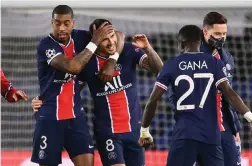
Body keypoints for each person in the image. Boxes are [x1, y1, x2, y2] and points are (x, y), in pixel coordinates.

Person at [32, 18, 163, 166]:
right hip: (107, 132)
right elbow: (71, 90)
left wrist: (148, 48)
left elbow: (159, 70)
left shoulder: (128, 51)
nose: (110, 42)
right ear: (95, 40)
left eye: (112, 36)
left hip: (134, 131)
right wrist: (43, 101)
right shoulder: (87, 63)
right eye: (104, 39)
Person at [139, 25, 252, 166]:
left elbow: (152, 101)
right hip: (210, 137)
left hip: (184, 135)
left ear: (180, 44)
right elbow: (230, 94)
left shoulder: (171, 65)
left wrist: (145, 131)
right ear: (200, 42)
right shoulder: (214, 63)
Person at [31, 5, 122, 166]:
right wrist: (94, 41)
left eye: (66, 23)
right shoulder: (46, 46)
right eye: (57, 23)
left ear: (73, 23)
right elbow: (73, 67)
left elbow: (119, 36)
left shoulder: (80, 38)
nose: (61, 28)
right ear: (52, 23)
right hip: (50, 117)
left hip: (76, 118)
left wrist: (112, 61)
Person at [201, 11, 243, 166]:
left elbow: (228, 95)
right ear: (205, 32)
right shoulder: (192, 57)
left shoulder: (227, 58)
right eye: (217, 33)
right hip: (200, 127)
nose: (221, 37)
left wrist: (235, 126)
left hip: (224, 126)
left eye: (224, 33)